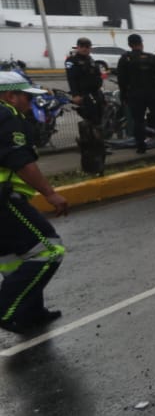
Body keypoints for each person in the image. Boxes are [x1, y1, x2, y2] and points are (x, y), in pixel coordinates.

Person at [0, 70, 68, 334]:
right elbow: (20, 161)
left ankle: (31, 314)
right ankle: (6, 308)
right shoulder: (6, 115)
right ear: (10, 96)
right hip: (4, 201)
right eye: (27, 97)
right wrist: (50, 193)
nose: (30, 103)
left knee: (12, 258)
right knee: (49, 250)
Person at [116, 33, 155, 154]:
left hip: (135, 94)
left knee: (138, 121)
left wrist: (123, 96)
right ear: (141, 43)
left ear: (129, 45)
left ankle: (141, 147)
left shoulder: (125, 59)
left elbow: (121, 80)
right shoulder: (152, 58)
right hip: (153, 93)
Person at [65, 37, 105, 125]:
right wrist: (75, 95)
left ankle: (98, 135)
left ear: (90, 48)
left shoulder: (90, 60)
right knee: (91, 117)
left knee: (100, 115)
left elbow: (98, 75)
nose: (84, 49)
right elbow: (71, 79)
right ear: (78, 47)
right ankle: (90, 136)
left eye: (87, 46)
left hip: (96, 93)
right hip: (84, 94)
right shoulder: (72, 60)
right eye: (82, 46)